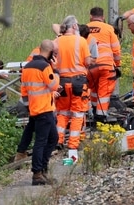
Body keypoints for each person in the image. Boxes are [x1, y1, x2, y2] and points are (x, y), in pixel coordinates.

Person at [19, 39, 60, 186]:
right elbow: (54, 85)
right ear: (49, 52)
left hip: (35, 109)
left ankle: (42, 169)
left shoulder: (28, 66)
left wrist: (29, 106)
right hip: (44, 109)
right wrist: (55, 70)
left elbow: (23, 90)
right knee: (42, 141)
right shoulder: (45, 67)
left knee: (53, 138)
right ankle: (37, 173)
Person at [54, 15, 92, 161]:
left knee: (62, 113)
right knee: (77, 114)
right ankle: (73, 145)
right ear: (75, 26)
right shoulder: (81, 41)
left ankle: (58, 140)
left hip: (62, 82)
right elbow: (87, 62)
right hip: (78, 82)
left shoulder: (57, 41)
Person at [87, 7, 122, 120]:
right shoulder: (109, 29)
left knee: (93, 90)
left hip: (90, 66)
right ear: (103, 17)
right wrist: (117, 65)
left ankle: (92, 110)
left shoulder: (85, 28)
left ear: (91, 16)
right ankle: (101, 116)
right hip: (106, 66)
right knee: (104, 92)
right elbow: (116, 50)